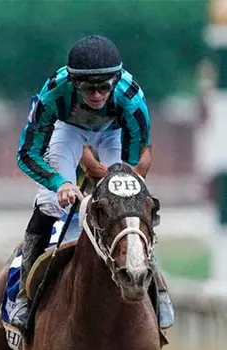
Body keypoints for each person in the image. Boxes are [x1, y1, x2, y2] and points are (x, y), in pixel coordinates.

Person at [10, 34, 172, 332]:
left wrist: (120, 182)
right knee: (50, 202)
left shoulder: (132, 101)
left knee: (128, 202)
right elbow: (26, 154)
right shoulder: (51, 97)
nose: (97, 95)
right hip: (67, 130)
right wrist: (59, 182)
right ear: (73, 83)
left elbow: (136, 165)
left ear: (115, 82)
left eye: (104, 87)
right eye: (88, 88)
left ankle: (157, 286)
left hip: (114, 131)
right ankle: (22, 294)